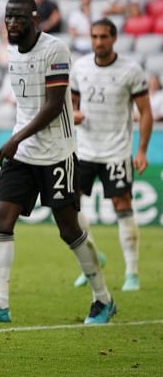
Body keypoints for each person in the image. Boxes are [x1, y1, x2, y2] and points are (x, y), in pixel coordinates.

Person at [0, 0, 115, 325]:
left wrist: (15, 138)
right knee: (0, 220)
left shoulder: (55, 49)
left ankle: (103, 299)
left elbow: (53, 105)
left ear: (35, 20)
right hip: (24, 153)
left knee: (69, 229)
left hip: (57, 153)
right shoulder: (11, 51)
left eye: (18, 18)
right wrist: (19, 140)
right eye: (7, 18)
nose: (11, 24)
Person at [70, 19, 152, 292]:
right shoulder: (80, 67)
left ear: (114, 38)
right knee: (71, 208)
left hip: (116, 151)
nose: (98, 42)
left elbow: (146, 112)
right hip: (84, 150)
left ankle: (132, 272)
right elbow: (72, 105)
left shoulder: (131, 70)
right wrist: (75, 115)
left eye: (103, 37)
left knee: (122, 204)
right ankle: (93, 259)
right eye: (94, 36)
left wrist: (141, 150)